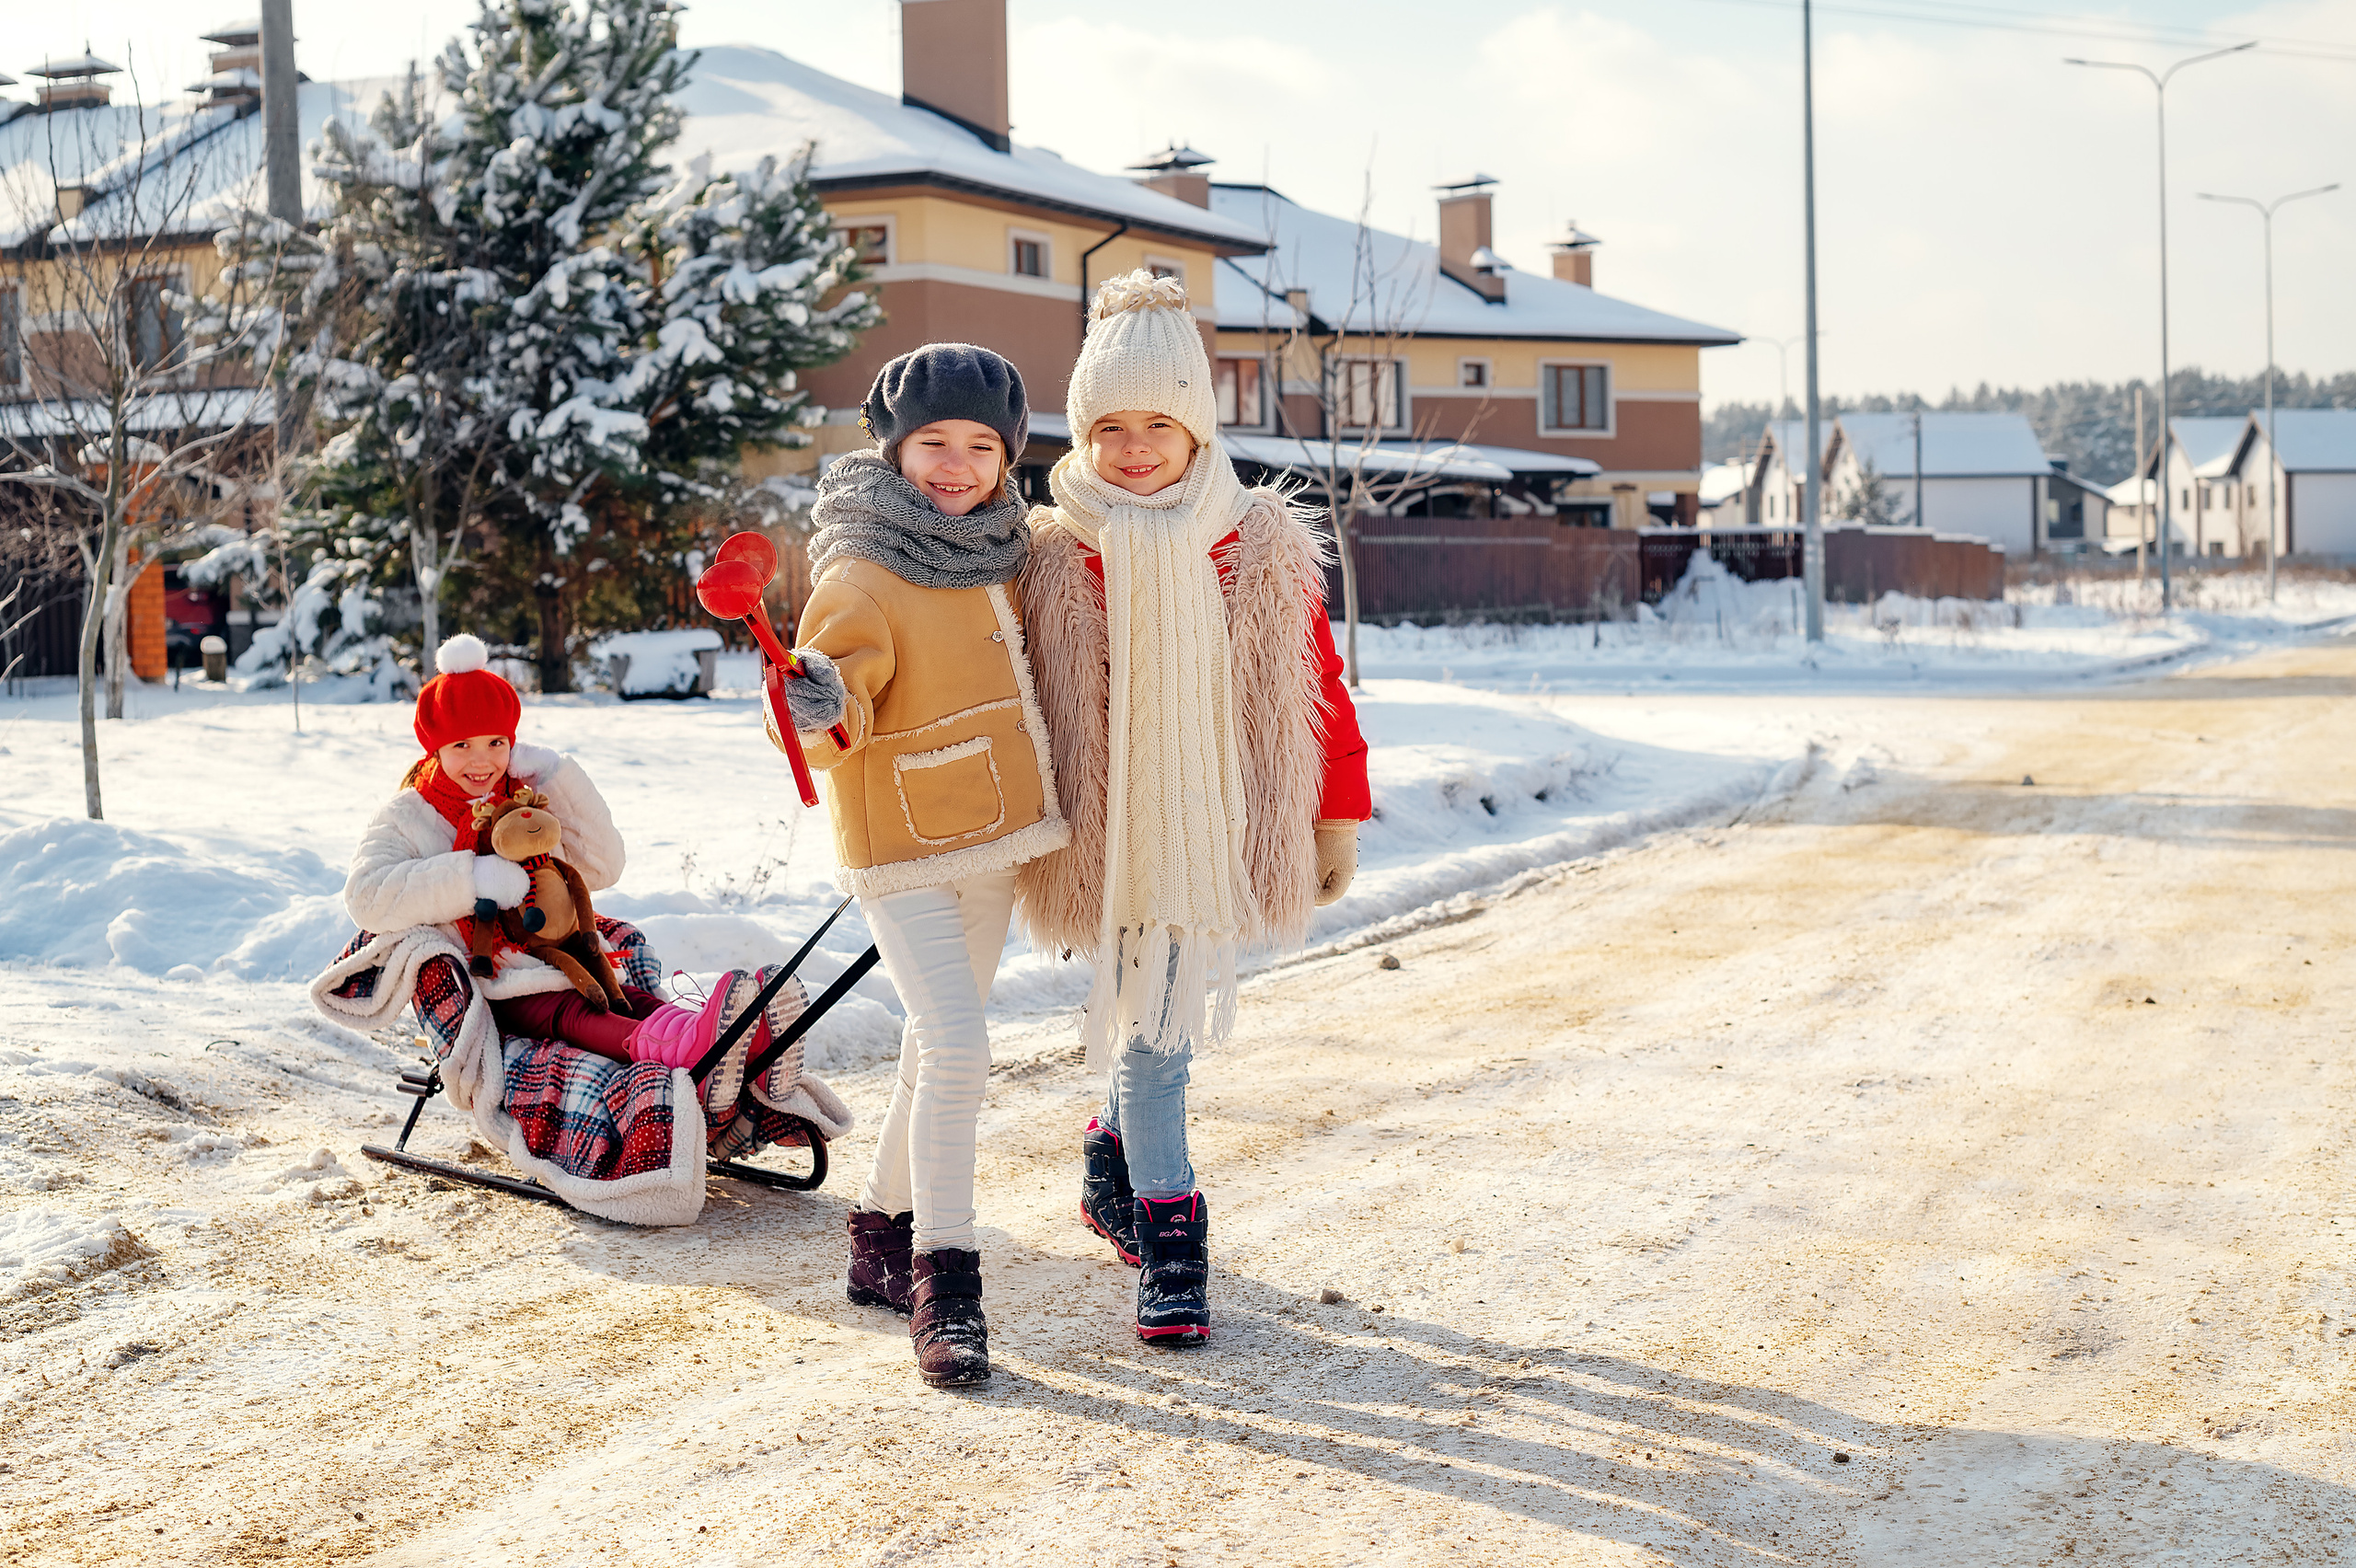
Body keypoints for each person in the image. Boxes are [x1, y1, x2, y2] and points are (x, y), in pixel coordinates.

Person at [1015, 271, 1371, 1344]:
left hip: (1206, 819)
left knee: (1151, 1023)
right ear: (1079, 431)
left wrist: (1335, 814)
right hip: (1100, 829)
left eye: (1156, 424)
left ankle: (1110, 1157)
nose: (1131, 448)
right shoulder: (1048, 546)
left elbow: (1315, 687)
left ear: (1196, 428)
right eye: (1108, 426)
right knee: (1157, 1032)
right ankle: (1173, 1243)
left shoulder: (1254, 541)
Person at [769, 343, 1068, 1388]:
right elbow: (835, 693)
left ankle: (876, 1239)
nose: (954, 465)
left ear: (1008, 457)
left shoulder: (1008, 549)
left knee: (927, 1056)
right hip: (899, 844)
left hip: (992, 835)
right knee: (960, 1049)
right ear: (894, 448)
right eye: (932, 442)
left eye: (979, 445)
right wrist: (814, 703)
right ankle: (948, 1279)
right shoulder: (863, 563)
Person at [345, 634, 753, 1080]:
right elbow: (366, 896)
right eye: (462, 746)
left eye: (496, 743)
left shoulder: (526, 803)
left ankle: (725, 1043)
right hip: (494, 979)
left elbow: (603, 866)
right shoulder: (408, 815)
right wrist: (473, 878)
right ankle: (679, 1051)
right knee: (569, 1010)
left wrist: (557, 774)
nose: (481, 761)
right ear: (435, 747)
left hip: (559, 952)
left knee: (623, 995)